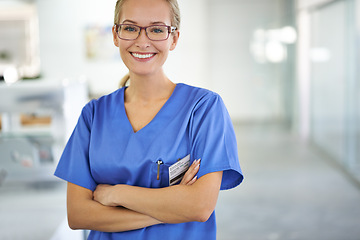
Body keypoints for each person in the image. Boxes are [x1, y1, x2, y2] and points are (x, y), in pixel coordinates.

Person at [54, 0, 243, 239]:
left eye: (156, 29)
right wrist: (170, 208)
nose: (142, 41)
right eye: (131, 28)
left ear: (173, 38)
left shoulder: (203, 109)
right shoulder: (94, 115)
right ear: (115, 34)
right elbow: (79, 214)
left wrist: (117, 194)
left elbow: (200, 206)